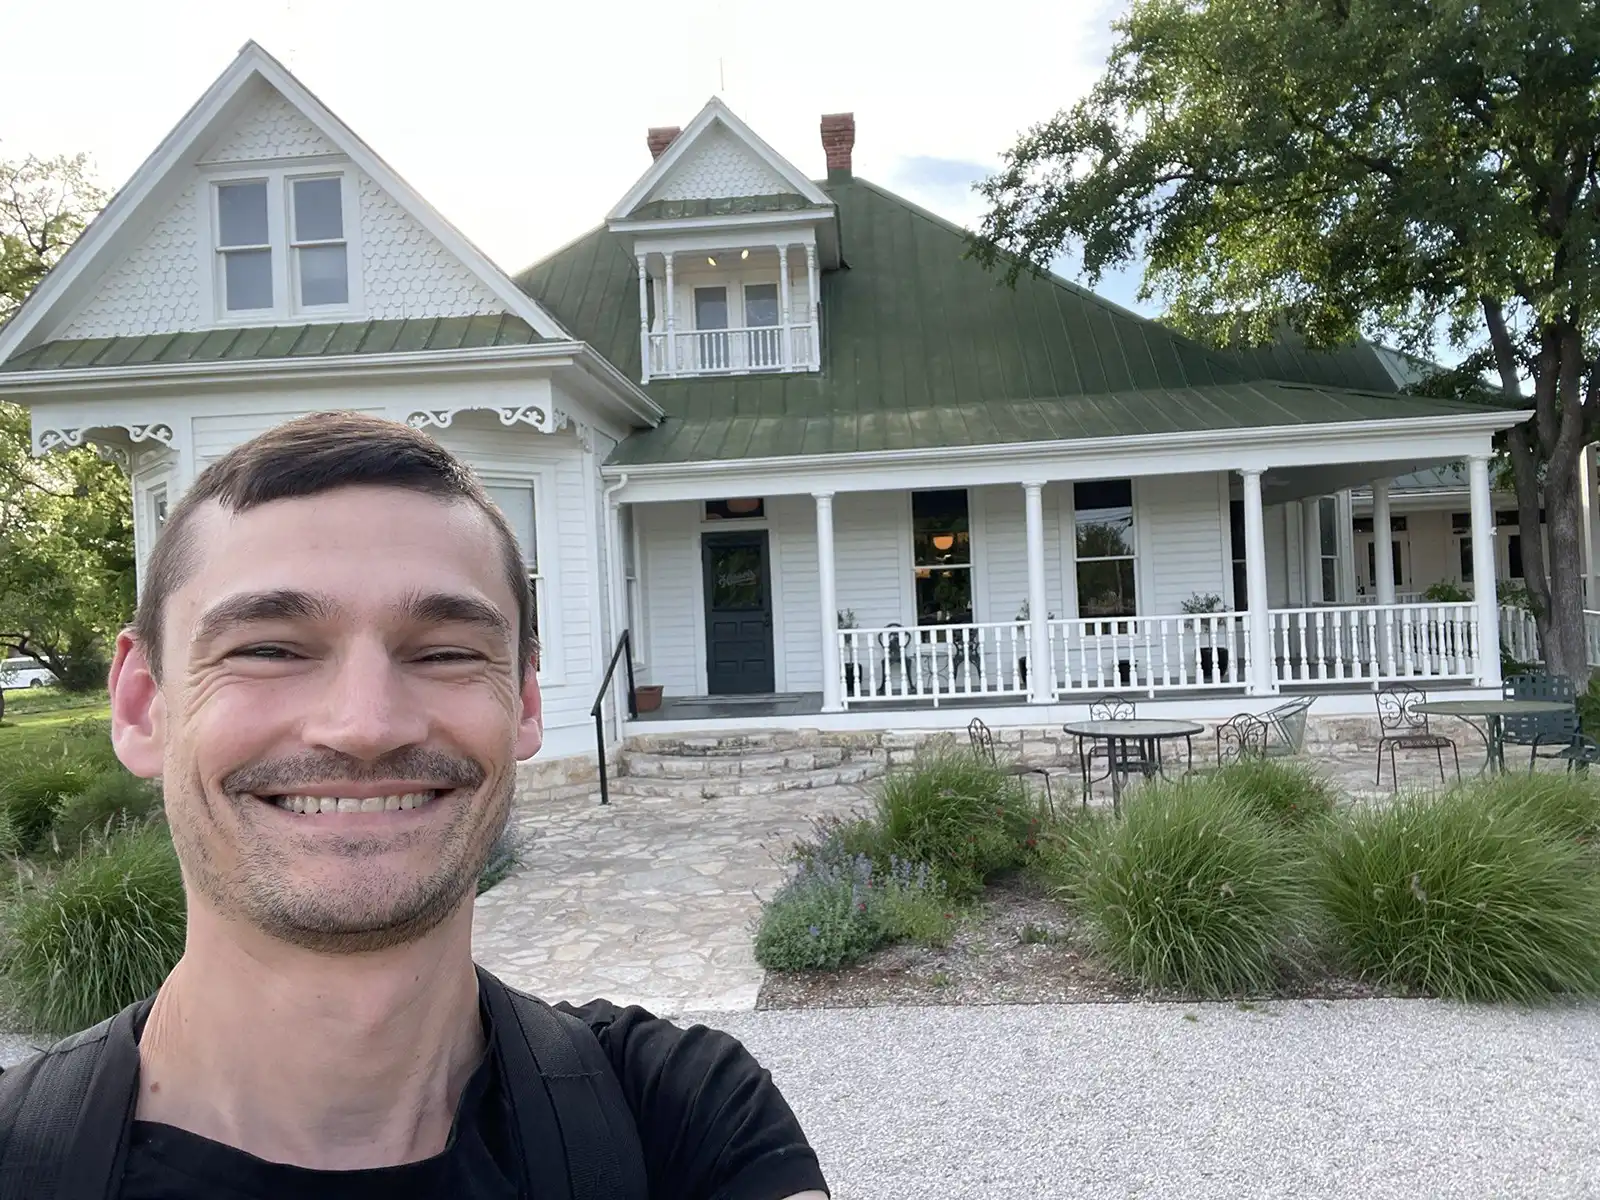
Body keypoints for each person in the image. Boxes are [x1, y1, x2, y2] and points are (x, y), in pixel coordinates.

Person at [0, 412, 830, 1200]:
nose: (365, 725)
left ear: (525, 703)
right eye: (268, 649)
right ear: (144, 704)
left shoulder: (681, 1119)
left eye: (443, 651)